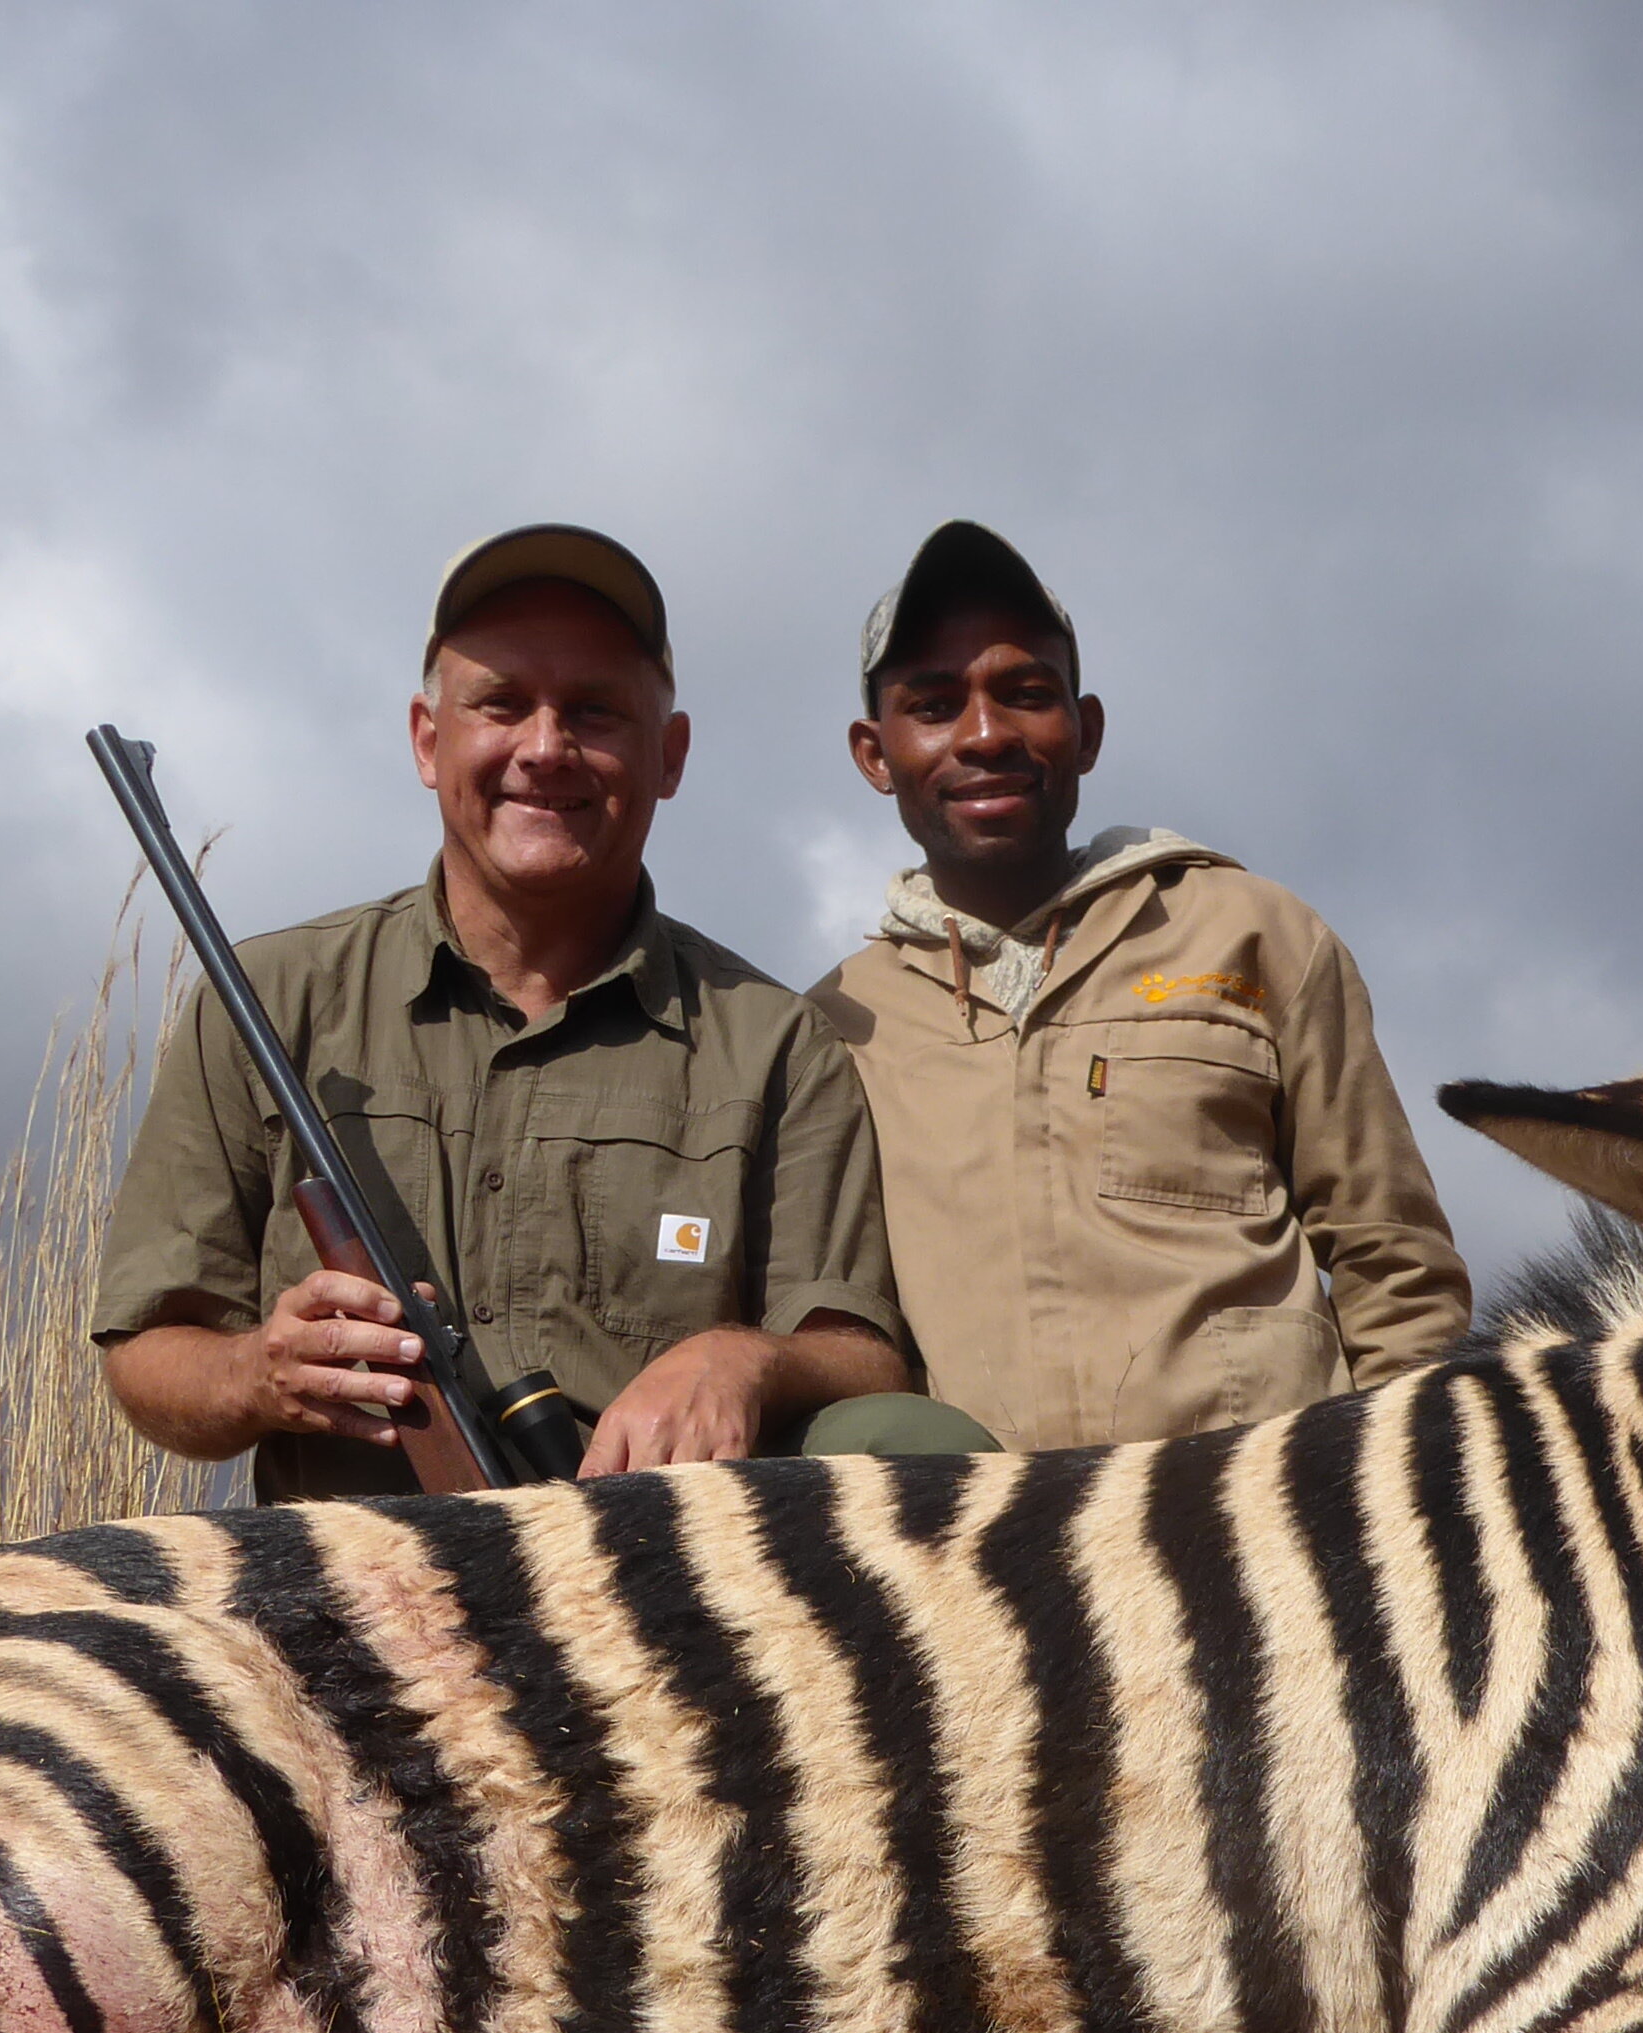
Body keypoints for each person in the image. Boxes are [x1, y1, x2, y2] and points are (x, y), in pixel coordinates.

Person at [96, 524, 989, 1497]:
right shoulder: (268, 1000)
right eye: (503, 705)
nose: (547, 748)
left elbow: (860, 1358)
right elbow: (147, 1353)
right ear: (428, 740)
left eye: (596, 712)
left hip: (644, 1583)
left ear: (670, 756)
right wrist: (259, 1373)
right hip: (340, 1592)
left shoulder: (777, 1044)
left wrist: (741, 1360)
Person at [807, 521, 1470, 1452]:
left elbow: (1395, 1264)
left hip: (1262, 1542)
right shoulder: (833, 1027)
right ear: (876, 755)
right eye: (934, 704)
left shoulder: (1252, 932)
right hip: (987, 1565)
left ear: (1087, 733)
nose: (986, 734)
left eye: (1027, 693)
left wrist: (1401, 1497)